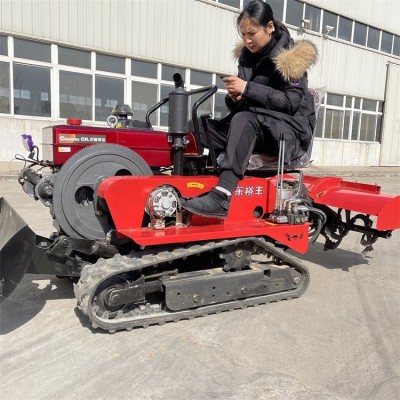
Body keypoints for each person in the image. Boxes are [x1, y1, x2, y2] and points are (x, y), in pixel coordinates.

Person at [181, 0, 318, 219]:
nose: (247, 40)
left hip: (286, 133)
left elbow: (291, 102)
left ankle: (222, 195)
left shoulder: (291, 59)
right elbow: (248, 104)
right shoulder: (247, 57)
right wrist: (235, 98)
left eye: (252, 33)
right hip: (255, 125)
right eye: (243, 34)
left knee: (244, 119)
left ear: (269, 27)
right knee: (198, 127)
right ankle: (187, 181)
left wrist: (247, 88)